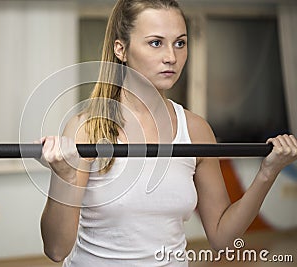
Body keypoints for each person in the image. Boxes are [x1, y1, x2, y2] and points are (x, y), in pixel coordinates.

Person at [37, 0, 297, 266]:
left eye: (180, 43)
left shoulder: (195, 130)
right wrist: (64, 177)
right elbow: (56, 249)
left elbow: (222, 239)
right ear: (121, 49)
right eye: (156, 43)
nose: (171, 56)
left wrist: (268, 173)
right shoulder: (88, 129)